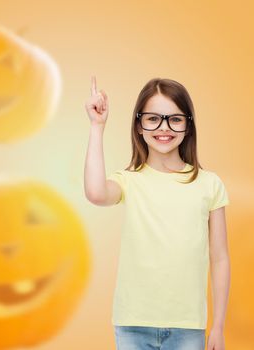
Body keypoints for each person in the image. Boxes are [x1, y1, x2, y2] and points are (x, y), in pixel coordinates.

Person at [84, 76, 230, 350]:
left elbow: (220, 258)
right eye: (153, 119)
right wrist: (96, 127)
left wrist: (219, 326)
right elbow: (95, 193)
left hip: (188, 327)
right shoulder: (128, 180)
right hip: (133, 324)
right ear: (139, 125)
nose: (164, 128)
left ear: (188, 125)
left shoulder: (209, 184)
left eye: (175, 119)